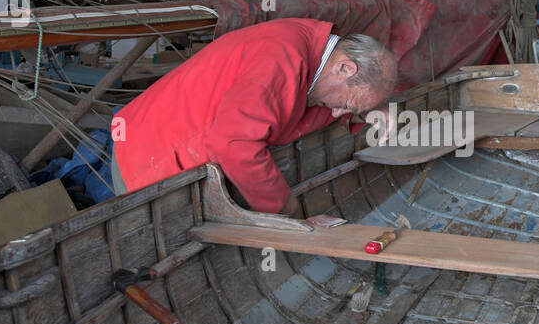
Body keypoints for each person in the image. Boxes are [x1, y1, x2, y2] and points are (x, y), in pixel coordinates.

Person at [110, 18, 398, 214]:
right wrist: (284, 207)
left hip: (178, 147)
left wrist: (367, 110)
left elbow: (305, 108)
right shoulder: (281, 60)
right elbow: (234, 144)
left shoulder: (314, 53)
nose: (338, 112)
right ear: (345, 68)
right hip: (151, 158)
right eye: (347, 103)